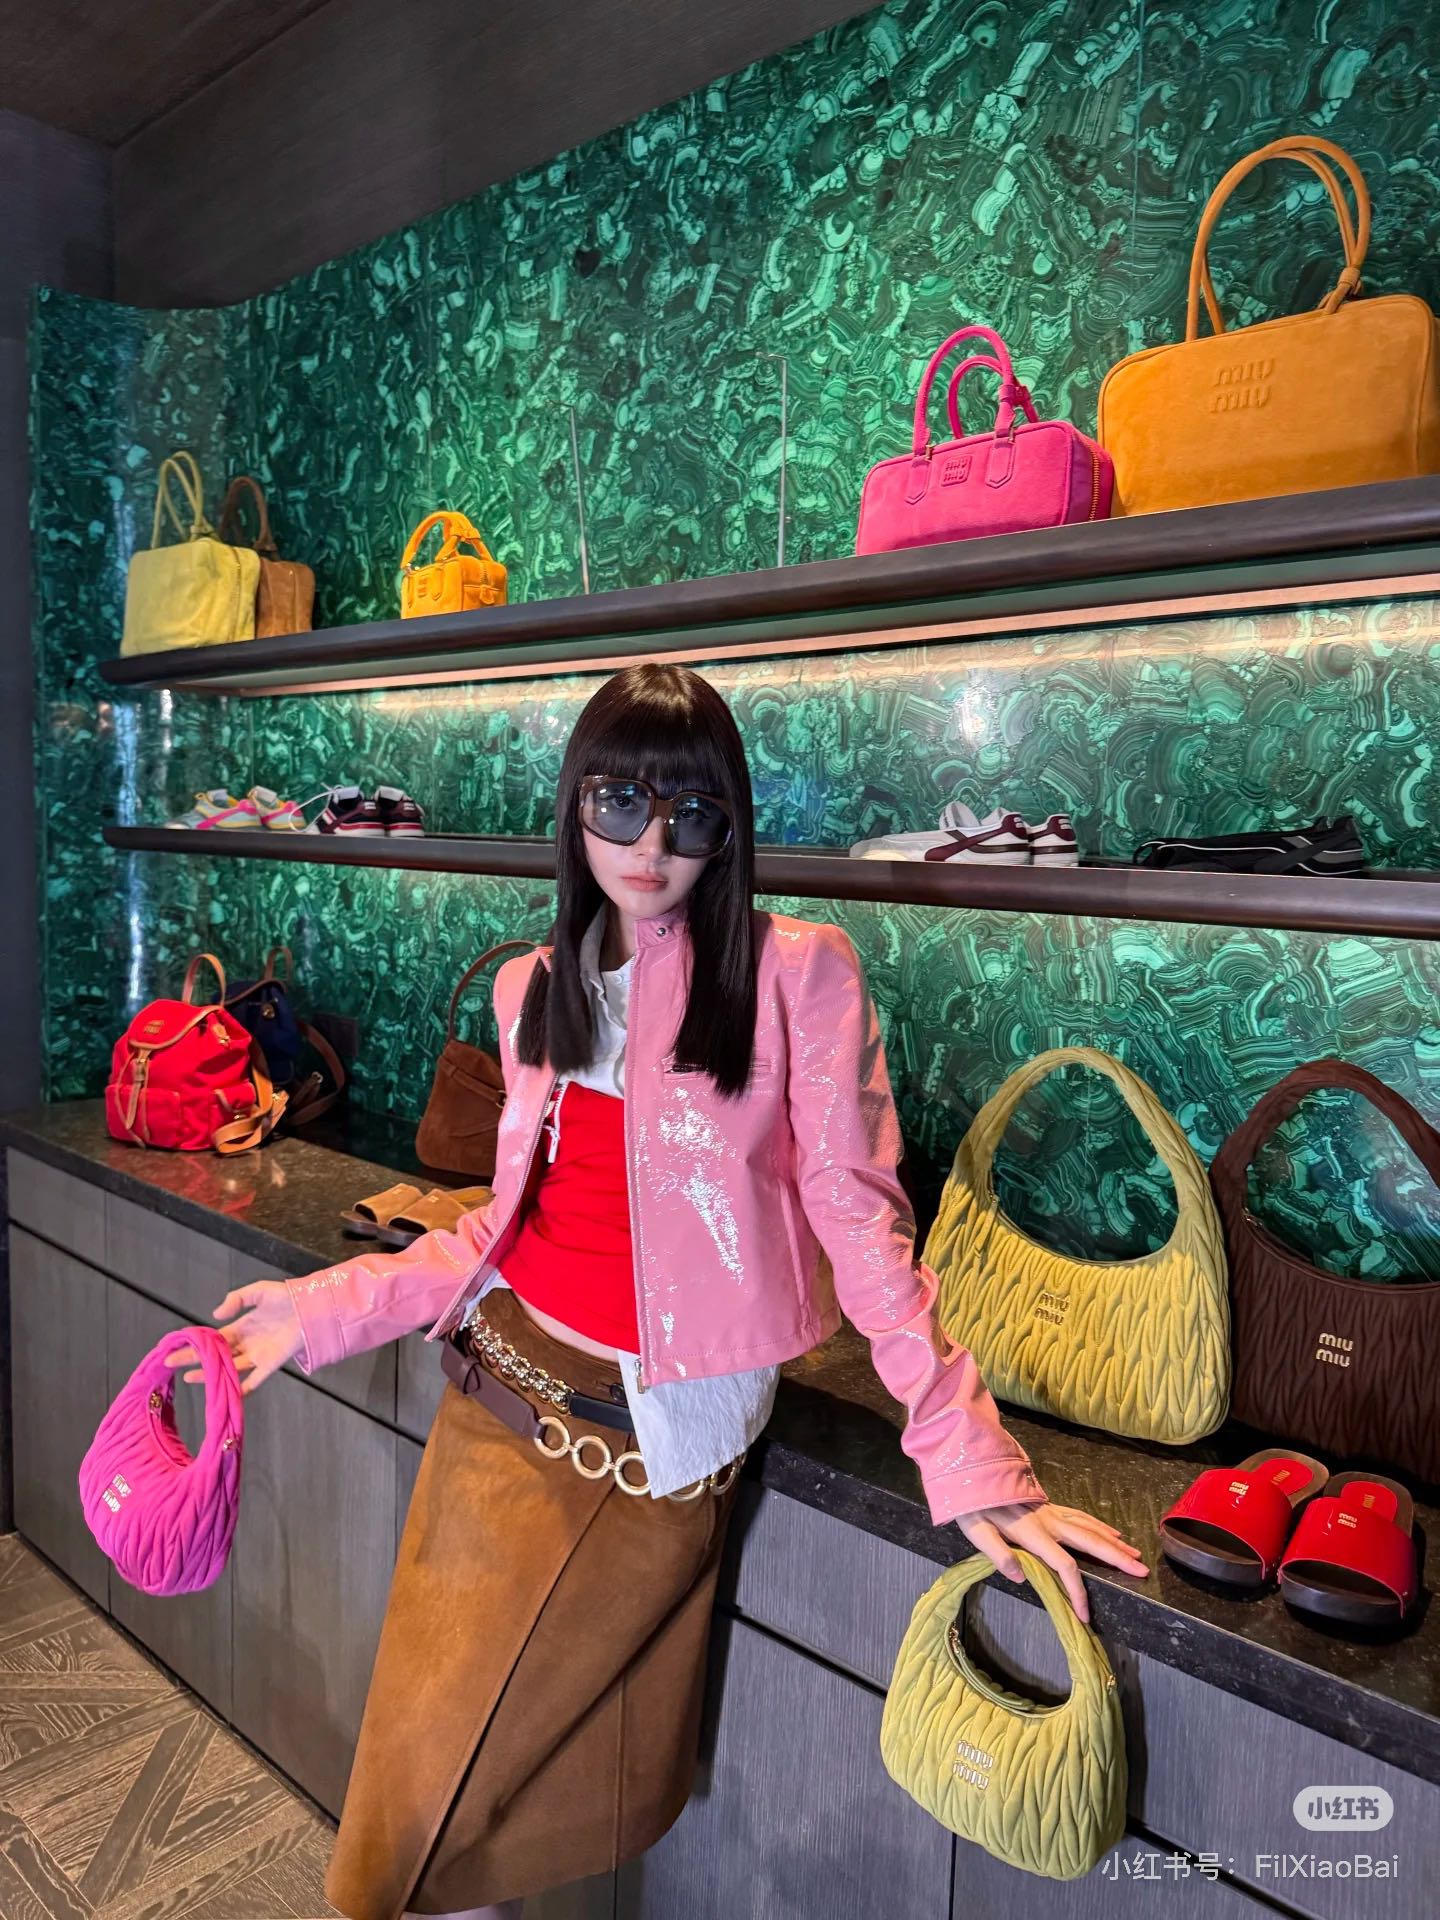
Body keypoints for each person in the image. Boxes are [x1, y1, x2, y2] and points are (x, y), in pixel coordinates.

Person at [168, 663, 1146, 1920]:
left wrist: (968, 1456)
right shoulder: (537, 986)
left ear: (727, 831)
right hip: (490, 1402)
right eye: (619, 803)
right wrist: (324, 1307)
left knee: (447, 1809)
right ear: (577, 806)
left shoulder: (796, 974)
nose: (651, 846)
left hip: (637, 1441)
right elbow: (503, 1225)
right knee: (418, 1789)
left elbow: (862, 1223)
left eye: (690, 816)